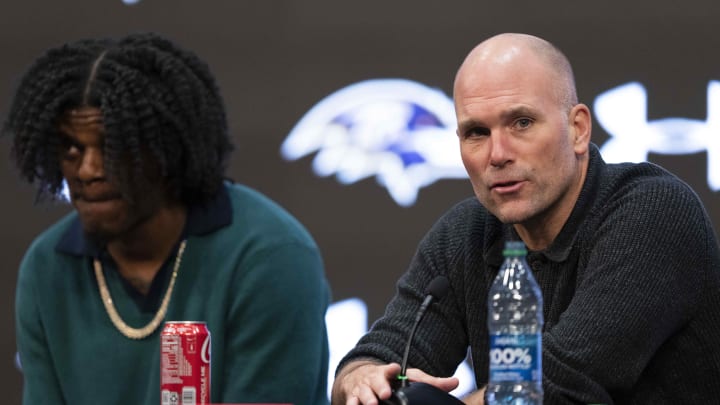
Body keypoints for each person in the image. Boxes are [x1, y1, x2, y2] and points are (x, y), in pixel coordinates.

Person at [331, 32, 720, 405]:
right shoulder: (465, 233)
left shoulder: (654, 211)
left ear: (578, 129)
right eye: (477, 132)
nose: (497, 154)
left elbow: (562, 385)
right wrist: (362, 380)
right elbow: (381, 355)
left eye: (521, 123)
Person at [5, 32, 330, 405]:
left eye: (112, 146)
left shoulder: (271, 254)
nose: (89, 169)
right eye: (71, 148)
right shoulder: (47, 265)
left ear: (166, 150)